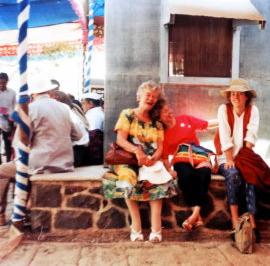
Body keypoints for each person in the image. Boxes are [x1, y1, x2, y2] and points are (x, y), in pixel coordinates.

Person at [0, 75, 82, 231]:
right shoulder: (64, 108)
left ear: (32, 94)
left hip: (39, 162)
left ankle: (1, 216)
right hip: (65, 162)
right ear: (49, 90)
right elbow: (77, 135)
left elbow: (21, 142)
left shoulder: (30, 109)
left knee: (2, 171)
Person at [103, 81, 178, 243]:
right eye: (147, 95)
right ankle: (136, 225)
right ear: (139, 97)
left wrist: (154, 158)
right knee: (128, 177)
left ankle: (156, 228)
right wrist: (137, 151)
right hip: (128, 158)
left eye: (154, 97)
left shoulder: (157, 123)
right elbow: (120, 140)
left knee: (157, 180)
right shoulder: (128, 114)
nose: (150, 99)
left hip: (150, 160)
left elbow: (160, 147)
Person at [155, 98, 218, 230]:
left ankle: (195, 214)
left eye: (168, 109)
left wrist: (224, 120)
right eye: (165, 111)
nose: (169, 112)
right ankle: (196, 215)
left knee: (204, 173)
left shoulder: (185, 119)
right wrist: (169, 170)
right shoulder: (163, 134)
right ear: (159, 117)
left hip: (199, 157)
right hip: (181, 159)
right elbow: (165, 157)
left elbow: (206, 124)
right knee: (186, 176)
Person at [213, 78, 260, 239]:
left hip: (243, 156)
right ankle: (235, 223)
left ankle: (252, 224)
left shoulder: (253, 110)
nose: (236, 97)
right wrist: (229, 159)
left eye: (240, 94)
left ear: (247, 96)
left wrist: (243, 160)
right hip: (224, 156)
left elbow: (251, 136)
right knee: (232, 174)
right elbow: (225, 136)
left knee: (250, 176)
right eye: (233, 94)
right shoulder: (223, 110)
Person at [50, 90, 89, 167]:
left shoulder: (67, 112)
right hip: (75, 150)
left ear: (57, 100)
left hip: (76, 152)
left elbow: (77, 136)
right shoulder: (68, 110)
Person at [81, 92, 104, 165]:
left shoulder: (94, 115)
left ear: (90, 104)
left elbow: (93, 136)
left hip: (93, 156)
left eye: (83, 103)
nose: (82, 106)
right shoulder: (96, 113)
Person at [0, 73, 16, 163]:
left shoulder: (12, 93)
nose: (1, 85)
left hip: (8, 120)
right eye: (0, 83)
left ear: (7, 82)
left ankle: (8, 162)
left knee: (8, 143)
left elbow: (14, 106)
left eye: (4, 83)